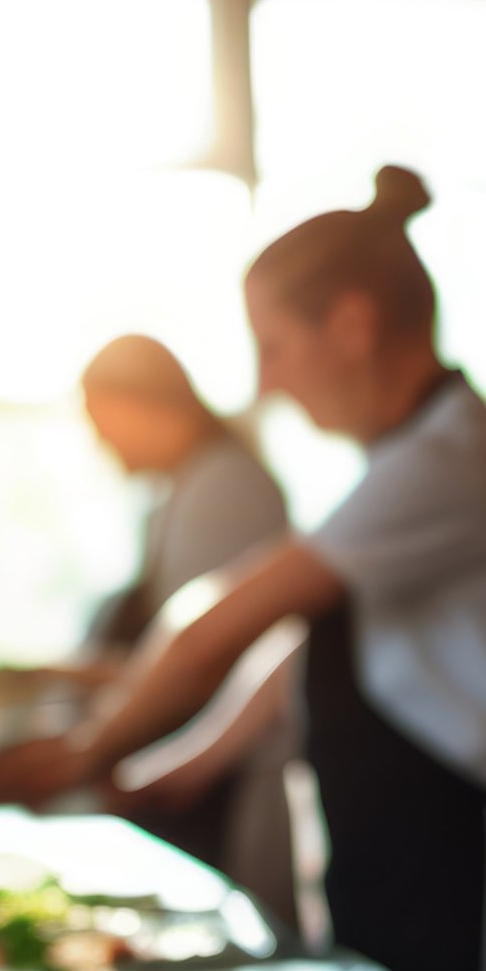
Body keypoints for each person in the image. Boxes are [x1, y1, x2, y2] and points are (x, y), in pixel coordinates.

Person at [0, 168, 486, 971]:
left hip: (476, 875)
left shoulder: (449, 462)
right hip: (413, 857)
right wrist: (198, 757)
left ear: (354, 325)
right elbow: (311, 645)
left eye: (274, 345)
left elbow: (231, 618)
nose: (266, 381)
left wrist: (90, 748)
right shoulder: (406, 461)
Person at [73, 334, 299, 927]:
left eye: (103, 422)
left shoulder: (226, 488)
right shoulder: (186, 487)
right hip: (199, 758)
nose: (100, 443)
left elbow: (208, 653)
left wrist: (89, 747)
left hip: (224, 769)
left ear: (142, 404)